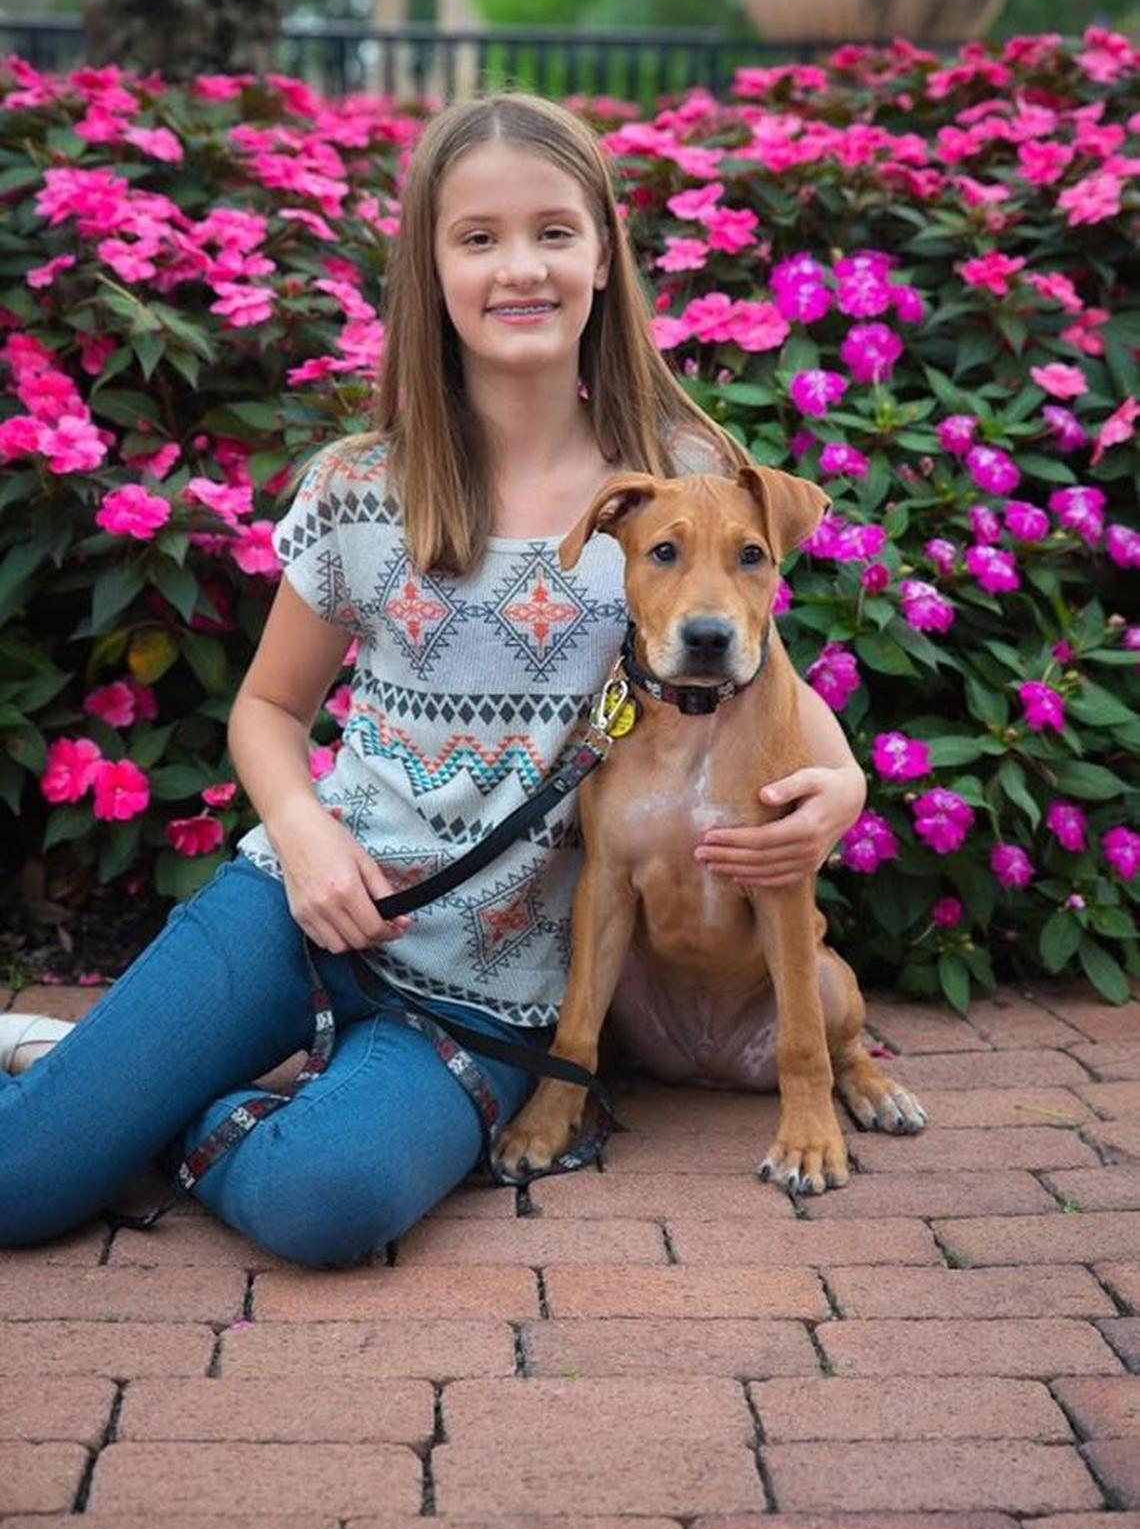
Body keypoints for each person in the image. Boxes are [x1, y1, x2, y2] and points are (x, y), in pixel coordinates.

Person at [0, 92, 866, 1266]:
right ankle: (96, 1087)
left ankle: (153, 1102)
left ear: (603, 253)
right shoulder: (363, 486)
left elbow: (761, 678)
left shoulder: (682, 478)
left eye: (554, 231)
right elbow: (268, 707)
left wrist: (845, 787)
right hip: (302, 909)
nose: (521, 267)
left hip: (493, 985)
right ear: (429, 264)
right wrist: (303, 833)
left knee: (325, 1198)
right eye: (479, 236)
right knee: (18, 1181)